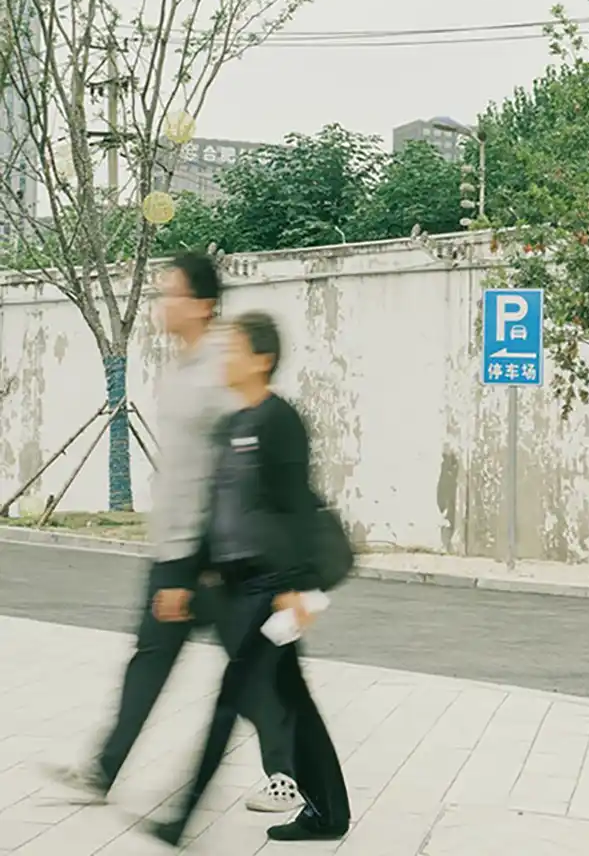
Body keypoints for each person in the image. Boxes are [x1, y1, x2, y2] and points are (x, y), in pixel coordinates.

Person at [47, 251, 301, 817]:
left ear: (203, 305)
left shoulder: (221, 366)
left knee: (250, 667)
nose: (163, 304)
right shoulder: (181, 364)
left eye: (172, 294)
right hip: (176, 548)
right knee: (151, 659)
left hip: (213, 554)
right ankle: (105, 768)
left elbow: (234, 467)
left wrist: (200, 566)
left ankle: (287, 775)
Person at [147, 310, 350, 846]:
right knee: (294, 703)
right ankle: (329, 813)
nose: (225, 358)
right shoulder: (232, 425)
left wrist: (298, 585)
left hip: (271, 590)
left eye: (233, 349)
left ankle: (182, 818)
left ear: (261, 360)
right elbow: (216, 518)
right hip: (236, 589)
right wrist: (187, 580)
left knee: (229, 699)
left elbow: (295, 509)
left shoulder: (279, 422)